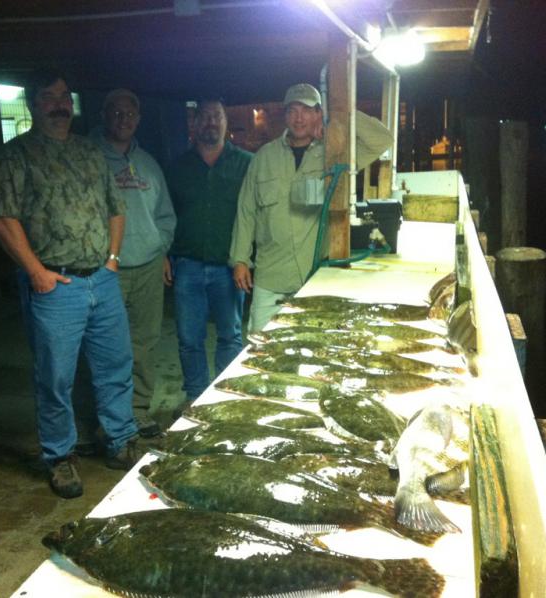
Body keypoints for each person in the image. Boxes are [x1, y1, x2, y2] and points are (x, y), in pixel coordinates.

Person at [0, 68, 139, 500]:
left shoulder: (90, 152)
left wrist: (112, 259)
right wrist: (35, 271)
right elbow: (1, 216)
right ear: (34, 105)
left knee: (115, 368)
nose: (59, 105)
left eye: (63, 98)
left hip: (101, 281)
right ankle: (60, 457)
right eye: (49, 98)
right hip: (56, 287)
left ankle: (120, 440)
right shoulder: (16, 156)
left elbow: (116, 208)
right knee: (55, 378)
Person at [230, 83, 393, 332]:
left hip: (315, 277)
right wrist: (240, 259)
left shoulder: (335, 153)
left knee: (311, 353)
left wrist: (339, 120)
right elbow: (246, 209)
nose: (299, 118)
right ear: (285, 116)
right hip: (271, 277)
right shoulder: (265, 157)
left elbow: (382, 140)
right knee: (260, 349)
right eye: (292, 111)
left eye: (307, 110)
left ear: (319, 113)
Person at [82, 88, 176, 438]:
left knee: (144, 342)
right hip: (107, 270)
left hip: (148, 267)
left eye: (130, 114)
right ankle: (104, 418)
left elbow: (164, 215)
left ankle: (138, 410)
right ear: (104, 116)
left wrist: (160, 248)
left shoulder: (148, 164)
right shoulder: (87, 157)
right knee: (105, 347)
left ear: (138, 119)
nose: (124, 120)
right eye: (117, 113)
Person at [165, 98, 252, 410]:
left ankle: (226, 397)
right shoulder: (177, 167)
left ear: (226, 122)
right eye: (204, 117)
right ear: (194, 124)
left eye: (217, 116)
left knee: (230, 336)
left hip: (230, 267)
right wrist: (164, 252)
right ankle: (197, 398)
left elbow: (255, 212)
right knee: (189, 339)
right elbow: (164, 213)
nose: (210, 123)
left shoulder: (246, 163)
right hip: (186, 264)